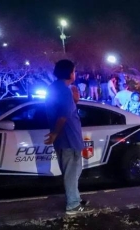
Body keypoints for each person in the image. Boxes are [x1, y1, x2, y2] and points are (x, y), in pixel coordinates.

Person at [44, 59, 92, 215]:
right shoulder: (64, 90)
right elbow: (63, 116)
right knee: (72, 171)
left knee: (72, 171)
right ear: (69, 73)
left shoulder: (55, 88)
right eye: (74, 71)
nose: (75, 73)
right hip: (69, 139)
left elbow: (65, 109)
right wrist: (55, 134)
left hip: (65, 138)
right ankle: (73, 204)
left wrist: (74, 100)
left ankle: (75, 198)